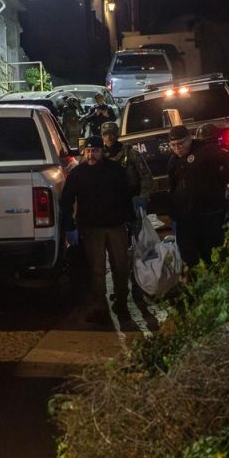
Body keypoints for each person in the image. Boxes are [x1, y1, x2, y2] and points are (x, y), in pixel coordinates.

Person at [61, 135, 133, 323]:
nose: (91, 155)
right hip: (91, 229)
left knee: (121, 267)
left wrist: (131, 221)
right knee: (96, 270)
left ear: (103, 152)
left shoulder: (115, 171)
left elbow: (126, 196)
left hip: (116, 226)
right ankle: (100, 307)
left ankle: (122, 304)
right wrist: (70, 226)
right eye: (89, 151)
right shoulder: (78, 174)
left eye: (96, 151)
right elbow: (67, 200)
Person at [166, 124, 229, 267]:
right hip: (185, 215)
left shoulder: (204, 150)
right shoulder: (173, 161)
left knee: (212, 250)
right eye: (173, 145)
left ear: (189, 139)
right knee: (188, 252)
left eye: (181, 144)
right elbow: (173, 186)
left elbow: (227, 157)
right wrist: (173, 212)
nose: (177, 148)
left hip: (209, 211)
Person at [101, 121, 153, 215]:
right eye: (105, 134)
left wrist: (143, 197)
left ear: (117, 134)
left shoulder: (131, 153)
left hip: (132, 200)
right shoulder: (100, 156)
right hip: (110, 203)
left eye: (112, 134)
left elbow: (146, 177)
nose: (108, 137)